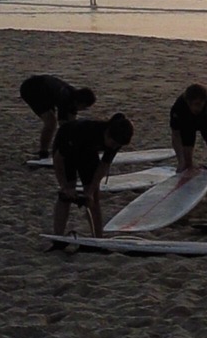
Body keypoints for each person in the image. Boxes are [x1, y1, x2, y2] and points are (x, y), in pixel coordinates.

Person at [49, 113, 134, 243]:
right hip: (66, 146)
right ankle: (58, 238)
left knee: (93, 196)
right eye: (113, 143)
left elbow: (103, 166)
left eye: (117, 145)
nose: (114, 147)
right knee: (65, 195)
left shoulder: (117, 140)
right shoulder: (84, 131)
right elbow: (58, 160)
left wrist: (90, 191)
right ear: (107, 133)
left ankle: (98, 238)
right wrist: (64, 186)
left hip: (88, 153)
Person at [169, 83, 207, 198]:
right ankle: (186, 192)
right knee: (186, 161)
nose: (199, 108)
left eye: (201, 104)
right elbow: (176, 136)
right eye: (196, 105)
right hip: (187, 123)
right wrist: (180, 160)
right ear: (188, 102)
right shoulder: (178, 107)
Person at [20, 74, 96, 159]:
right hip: (31, 89)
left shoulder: (73, 99)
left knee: (69, 126)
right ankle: (43, 153)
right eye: (85, 107)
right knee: (51, 123)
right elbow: (64, 127)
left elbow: (72, 125)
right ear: (81, 103)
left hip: (46, 91)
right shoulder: (65, 99)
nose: (83, 110)